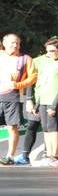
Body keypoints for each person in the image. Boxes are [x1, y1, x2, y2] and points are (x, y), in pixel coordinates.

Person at [0, 33, 35, 165]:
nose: (15, 45)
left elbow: (33, 77)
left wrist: (18, 85)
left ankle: (10, 156)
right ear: (4, 43)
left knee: (12, 127)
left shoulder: (25, 59)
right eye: (12, 42)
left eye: (17, 43)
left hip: (13, 96)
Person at [30, 37, 58, 163]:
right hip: (42, 99)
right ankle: (48, 152)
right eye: (47, 51)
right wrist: (36, 103)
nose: (49, 53)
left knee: (52, 127)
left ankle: (54, 154)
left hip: (53, 100)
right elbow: (41, 84)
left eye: (52, 51)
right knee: (45, 127)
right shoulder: (46, 61)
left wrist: (54, 105)